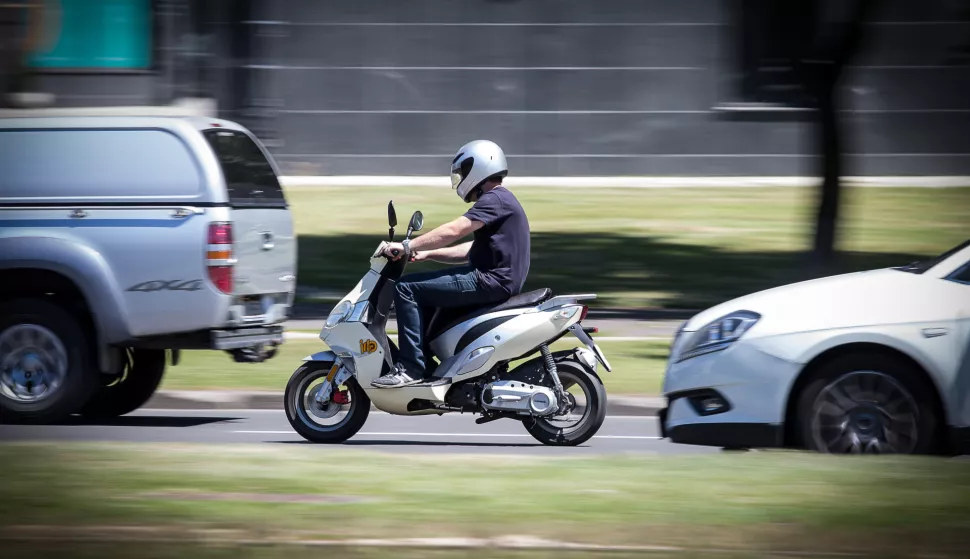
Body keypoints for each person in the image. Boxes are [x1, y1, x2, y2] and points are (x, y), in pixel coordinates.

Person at [371, 140, 531, 388]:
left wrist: (407, 246)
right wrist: (428, 254)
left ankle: (411, 368)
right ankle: (429, 366)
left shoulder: (493, 199)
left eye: (463, 172)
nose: (462, 178)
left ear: (478, 167)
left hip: (489, 281)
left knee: (406, 288)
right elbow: (470, 250)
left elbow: (455, 230)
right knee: (427, 299)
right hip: (496, 280)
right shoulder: (503, 201)